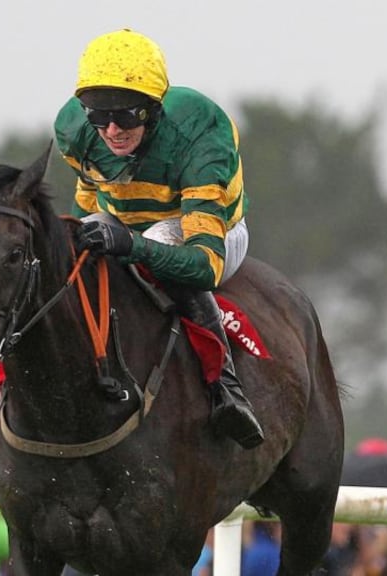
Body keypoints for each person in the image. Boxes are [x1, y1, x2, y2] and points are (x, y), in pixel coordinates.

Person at [46, 28, 263, 449]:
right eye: (98, 114)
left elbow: (205, 266)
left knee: (161, 241)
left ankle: (226, 388)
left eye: (126, 115)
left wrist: (134, 246)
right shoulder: (72, 128)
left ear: (153, 108)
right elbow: (91, 195)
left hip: (207, 228)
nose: (111, 129)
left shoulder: (202, 134)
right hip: (126, 219)